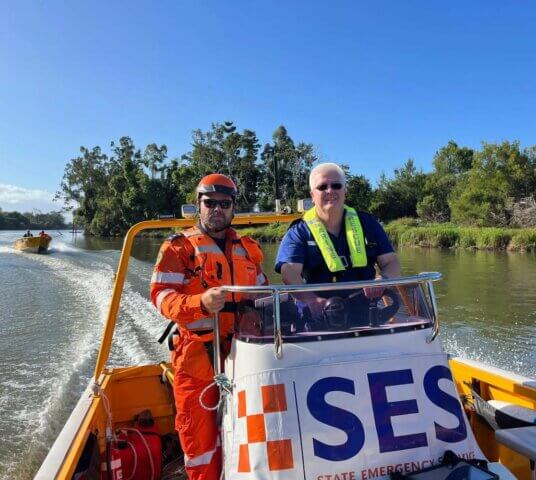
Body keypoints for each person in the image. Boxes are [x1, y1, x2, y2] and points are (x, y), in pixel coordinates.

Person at [150, 174, 267, 480]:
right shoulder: (178, 248)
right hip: (196, 360)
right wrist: (199, 303)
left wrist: (255, 308)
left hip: (244, 357)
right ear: (198, 205)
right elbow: (160, 296)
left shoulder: (249, 249)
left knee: (250, 433)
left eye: (224, 204)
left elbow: (262, 290)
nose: (217, 209)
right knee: (200, 445)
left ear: (233, 208)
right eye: (210, 203)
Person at [275, 162, 400, 318]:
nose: (330, 191)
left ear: (345, 191)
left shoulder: (368, 224)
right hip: (316, 319)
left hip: (366, 314)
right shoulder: (298, 232)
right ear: (312, 195)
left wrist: (382, 280)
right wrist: (312, 300)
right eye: (322, 187)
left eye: (336, 185)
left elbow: (391, 262)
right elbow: (289, 271)